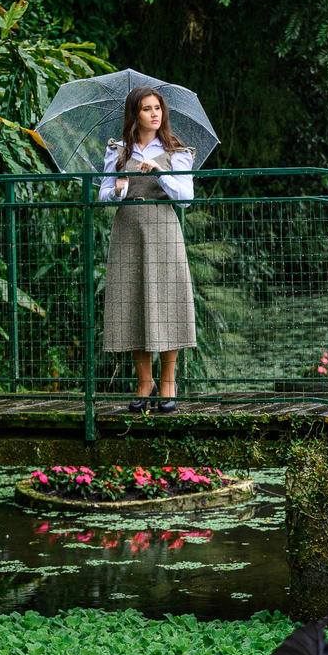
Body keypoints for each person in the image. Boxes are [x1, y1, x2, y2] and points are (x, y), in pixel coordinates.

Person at [99, 86, 196, 413]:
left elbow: (185, 198)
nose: (154, 114)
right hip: (128, 228)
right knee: (133, 301)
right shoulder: (118, 150)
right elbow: (100, 196)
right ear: (134, 114)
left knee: (168, 302)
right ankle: (145, 383)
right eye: (146, 109)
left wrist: (160, 172)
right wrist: (117, 190)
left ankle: (168, 382)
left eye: (158, 108)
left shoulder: (176, 150)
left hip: (163, 229)